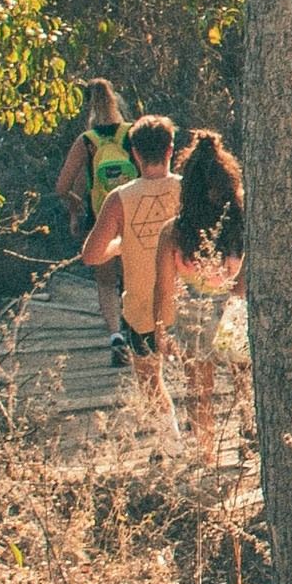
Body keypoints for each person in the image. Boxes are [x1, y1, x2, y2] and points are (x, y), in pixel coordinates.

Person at [78, 115, 190, 430]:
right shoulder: (187, 190)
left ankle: (171, 443)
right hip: (187, 301)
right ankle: (210, 443)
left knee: (150, 379)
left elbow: (92, 254)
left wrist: (122, 244)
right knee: (202, 373)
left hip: (141, 305)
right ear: (170, 149)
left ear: (134, 154)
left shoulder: (120, 198)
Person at [157, 128, 245, 465]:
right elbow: (246, 280)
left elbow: (164, 288)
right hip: (234, 310)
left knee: (200, 392)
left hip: (192, 317)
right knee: (244, 383)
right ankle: (248, 434)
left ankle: (206, 454)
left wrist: (162, 330)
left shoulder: (175, 232)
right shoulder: (240, 226)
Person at [54, 79, 138, 362]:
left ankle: (115, 337)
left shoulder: (87, 141)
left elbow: (61, 187)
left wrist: (77, 209)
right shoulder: (132, 133)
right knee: (132, 278)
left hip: (100, 216)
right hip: (133, 215)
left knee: (105, 282)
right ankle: (137, 334)